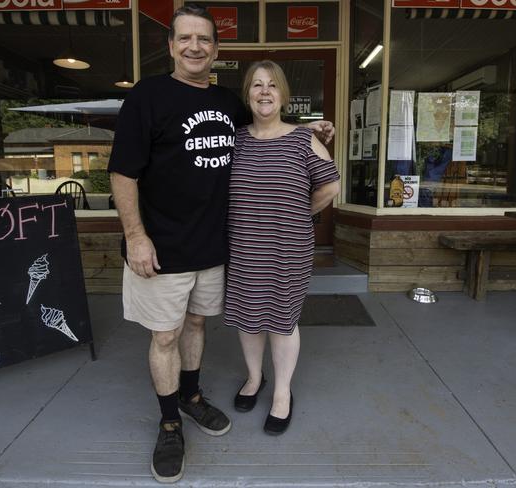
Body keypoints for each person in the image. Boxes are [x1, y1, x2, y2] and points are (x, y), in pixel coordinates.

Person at [108, 5, 333, 483]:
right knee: (164, 335)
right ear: (170, 46)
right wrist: (135, 236)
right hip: (161, 246)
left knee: (195, 326)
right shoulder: (147, 97)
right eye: (185, 38)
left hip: (214, 249)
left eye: (204, 39)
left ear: (215, 49)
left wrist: (310, 131)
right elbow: (123, 172)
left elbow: (266, 130)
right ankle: (170, 423)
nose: (195, 47)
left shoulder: (230, 102)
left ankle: (191, 398)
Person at [224, 60, 341, 435]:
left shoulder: (302, 139)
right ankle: (255, 378)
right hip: (242, 246)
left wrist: (298, 212)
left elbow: (330, 187)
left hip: (287, 249)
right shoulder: (235, 139)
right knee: (248, 317)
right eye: (257, 85)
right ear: (248, 94)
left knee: (282, 320)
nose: (264, 91)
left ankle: (282, 393)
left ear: (283, 95)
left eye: (272, 85)